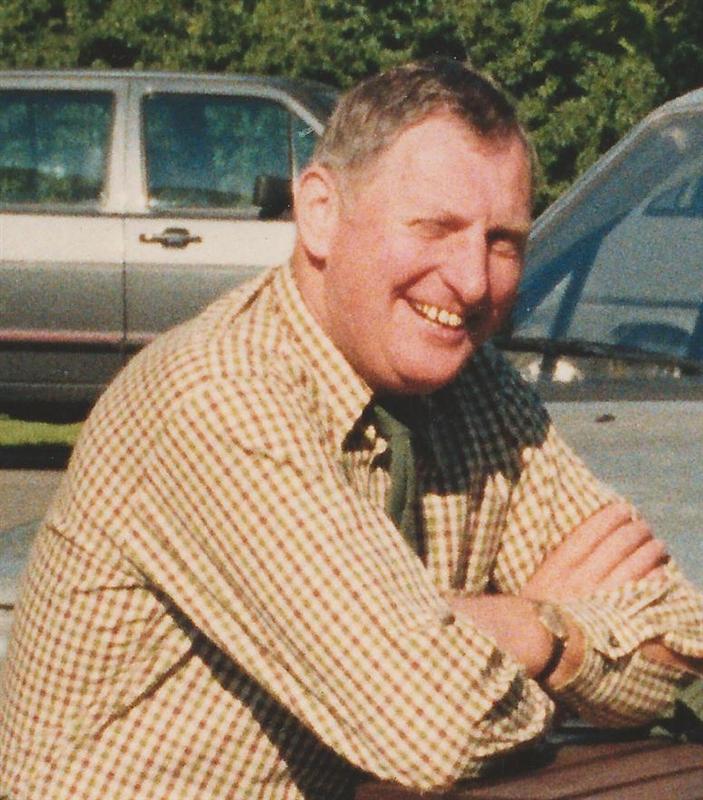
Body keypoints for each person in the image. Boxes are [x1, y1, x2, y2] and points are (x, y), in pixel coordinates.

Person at [1, 59, 702, 800]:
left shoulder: (478, 387)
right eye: (435, 227)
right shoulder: (217, 396)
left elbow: (682, 648)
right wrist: (547, 633)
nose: (471, 280)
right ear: (320, 212)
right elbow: (435, 725)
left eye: (503, 241)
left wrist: (522, 634)